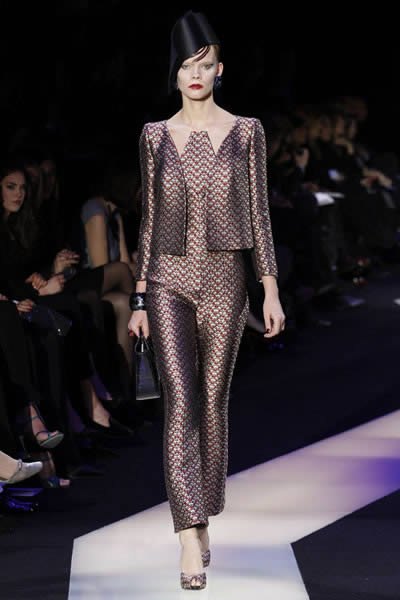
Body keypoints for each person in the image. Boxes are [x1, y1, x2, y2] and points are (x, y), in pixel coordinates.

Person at [128, 10, 285, 591]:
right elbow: (148, 221)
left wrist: (270, 289)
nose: (195, 75)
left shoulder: (247, 132)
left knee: (213, 403)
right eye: (186, 66)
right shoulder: (154, 136)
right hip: (167, 279)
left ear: (221, 69)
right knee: (180, 403)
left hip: (225, 278)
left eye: (205, 64)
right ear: (174, 73)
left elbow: (260, 215)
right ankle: (188, 535)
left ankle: (202, 509)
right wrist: (139, 297)